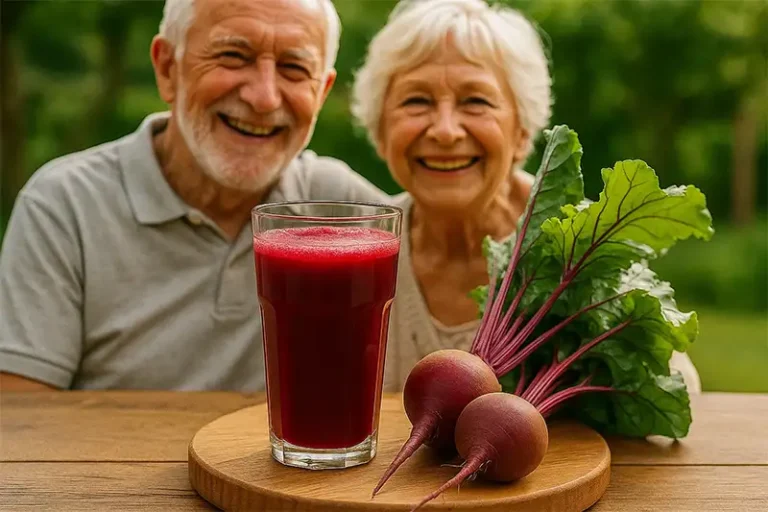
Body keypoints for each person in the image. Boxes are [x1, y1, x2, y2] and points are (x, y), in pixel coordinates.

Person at [0, 0, 388, 391]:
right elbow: (25, 421)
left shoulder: (343, 210)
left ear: (321, 92)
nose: (264, 97)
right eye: (233, 56)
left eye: (294, 68)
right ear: (167, 68)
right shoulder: (65, 204)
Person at [350, 0, 702, 393]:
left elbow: (676, 383)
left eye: (475, 101)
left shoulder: (582, 246)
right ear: (381, 131)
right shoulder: (358, 252)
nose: (445, 131)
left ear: (522, 131)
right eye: (417, 101)